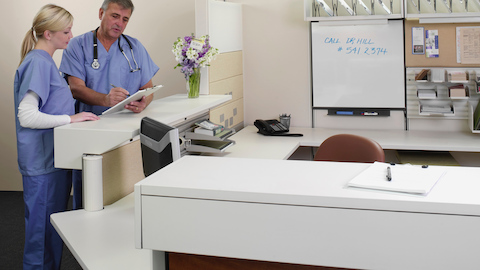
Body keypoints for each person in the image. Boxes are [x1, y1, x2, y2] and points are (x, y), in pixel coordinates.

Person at [14, 4, 100, 270]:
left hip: (53, 160)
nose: (71, 35)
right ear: (47, 34)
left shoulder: (45, 61)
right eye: (65, 31)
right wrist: (71, 119)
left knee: (51, 231)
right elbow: (26, 115)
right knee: (41, 236)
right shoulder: (38, 62)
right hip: (43, 164)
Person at [59, 0, 159, 209]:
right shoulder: (78, 45)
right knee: (89, 193)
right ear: (101, 13)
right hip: (90, 130)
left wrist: (143, 102)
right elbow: (75, 87)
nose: (119, 23)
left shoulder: (134, 47)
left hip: (126, 133)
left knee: (122, 191)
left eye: (125, 19)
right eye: (115, 16)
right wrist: (105, 99)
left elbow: (148, 88)